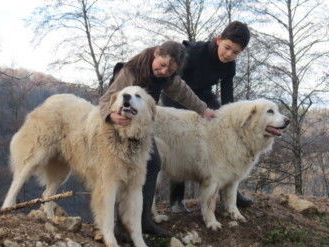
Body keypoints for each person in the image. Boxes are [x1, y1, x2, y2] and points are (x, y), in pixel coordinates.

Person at [99, 41, 216, 236]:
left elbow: (185, 94)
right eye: (161, 65)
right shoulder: (131, 71)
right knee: (121, 172)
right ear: (156, 53)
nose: (163, 71)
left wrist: (204, 110)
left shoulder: (168, 78)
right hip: (116, 127)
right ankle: (119, 226)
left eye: (170, 70)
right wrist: (111, 116)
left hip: (140, 129)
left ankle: (144, 220)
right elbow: (106, 100)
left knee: (153, 164)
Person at [160, 21, 253, 213]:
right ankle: (177, 200)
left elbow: (228, 100)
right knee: (181, 143)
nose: (229, 54)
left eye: (235, 52)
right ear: (219, 39)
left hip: (203, 94)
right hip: (176, 95)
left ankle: (231, 192)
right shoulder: (193, 53)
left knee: (226, 128)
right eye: (227, 47)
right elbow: (173, 82)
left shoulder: (230, 66)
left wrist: (234, 122)